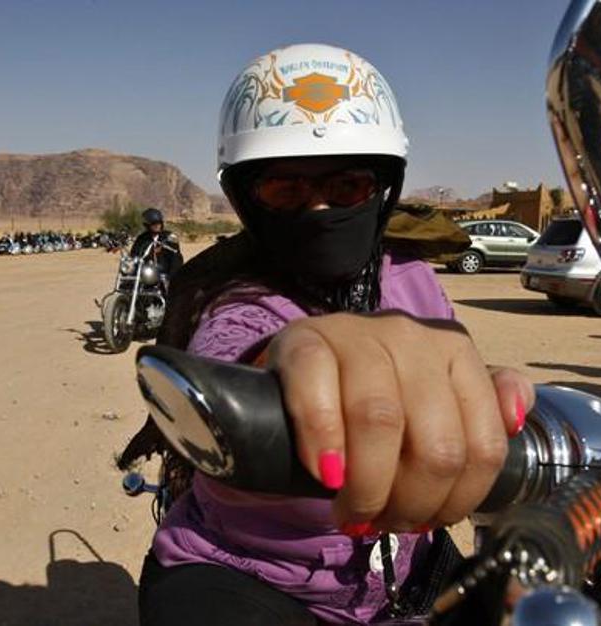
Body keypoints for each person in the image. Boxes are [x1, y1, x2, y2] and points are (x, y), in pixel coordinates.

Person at [136, 44, 535, 626]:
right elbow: (237, 362)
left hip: (408, 573)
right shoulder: (231, 299)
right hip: (254, 577)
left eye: (348, 186)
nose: (319, 207)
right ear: (248, 199)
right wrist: (295, 365)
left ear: (383, 189)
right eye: (286, 190)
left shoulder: (414, 278)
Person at [129, 208, 184, 277]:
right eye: (154, 223)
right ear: (147, 225)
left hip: (164, 274)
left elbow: (176, 258)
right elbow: (134, 255)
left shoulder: (169, 237)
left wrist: (171, 277)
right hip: (144, 273)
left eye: (159, 223)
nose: (157, 226)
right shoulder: (141, 239)